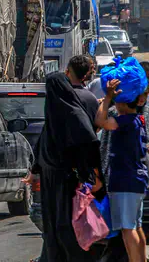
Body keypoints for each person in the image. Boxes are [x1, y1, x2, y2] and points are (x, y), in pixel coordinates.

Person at [37, 70, 102, 262]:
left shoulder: (74, 113)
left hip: (70, 181)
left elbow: (89, 144)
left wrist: (93, 175)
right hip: (52, 180)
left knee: (68, 226)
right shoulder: (53, 117)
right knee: (54, 227)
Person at [95, 63, 149, 262]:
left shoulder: (126, 121)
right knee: (136, 227)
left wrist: (108, 98)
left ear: (121, 101)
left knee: (127, 230)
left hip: (125, 182)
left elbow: (101, 122)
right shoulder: (138, 120)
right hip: (136, 181)